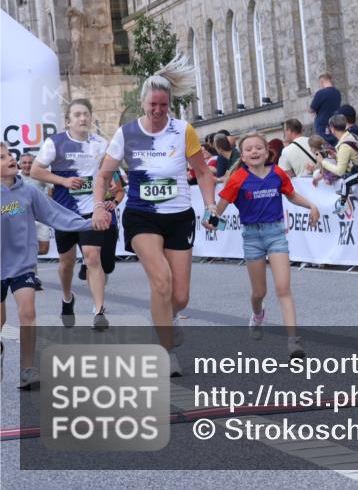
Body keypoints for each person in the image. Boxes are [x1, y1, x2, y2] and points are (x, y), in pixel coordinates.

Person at [90, 55, 217, 377]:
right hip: (141, 216)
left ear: (169, 104)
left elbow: (203, 173)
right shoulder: (127, 133)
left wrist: (210, 205)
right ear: (142, 103)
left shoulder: (183, 131)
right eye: (152, 105)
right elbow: (102, 175)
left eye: (163, 105)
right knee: (161, 281)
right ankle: (165, 350)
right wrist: (98, 206)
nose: (158, 111)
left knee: (180, 296)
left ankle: (166, 319)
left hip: (179, 216)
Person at [209, 134, 319, 359]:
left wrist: (311, 205)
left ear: (267, 151)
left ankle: (293, 341)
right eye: (249, 149)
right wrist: (209, 219)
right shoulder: (238, 178)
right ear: (242, 156)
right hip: (252, 237)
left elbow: (291, 195)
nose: (254, 151)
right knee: (259, 292)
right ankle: (257, 314)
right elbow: (218, 209)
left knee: (283, 288)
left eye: (258, 147)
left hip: (276, 234)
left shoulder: (277, 173)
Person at [2, 142, 95, 388]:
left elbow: (55, 214)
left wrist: (89, 223)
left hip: (22, 265)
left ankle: (27, 369)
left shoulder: (29, 192)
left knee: (28, 313)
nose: (10, 159)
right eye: (1, 157)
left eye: (9, 154)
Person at [30, 98, 120, 330]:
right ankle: (67, 297)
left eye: (86, 114)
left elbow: (108, 172)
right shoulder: (55, 143)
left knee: (92, 257)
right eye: (77, 115)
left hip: (92, 210)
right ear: (68, 121)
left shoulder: (100, 143)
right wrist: (64, 181)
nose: (83, 118)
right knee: (66, 263)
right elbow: (36, 171)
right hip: (64, 211)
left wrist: (111, 182)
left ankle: (99, 311)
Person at [17, 153, 51, 257]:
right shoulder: (15, 176)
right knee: (23, 245)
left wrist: (47, 202)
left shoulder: (40, 174)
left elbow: (51, 187)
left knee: (44, 249)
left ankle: (27, 257)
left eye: (30, 162)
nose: (27, 165)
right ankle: (27, 263)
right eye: (24, 163)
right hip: (22, 216)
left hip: (41, 216)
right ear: (20, 164)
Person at [310, 72, 342, 143]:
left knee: (323, 146)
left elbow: (312, 109)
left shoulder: (320, 93)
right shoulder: (337, 93)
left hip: (322, 126)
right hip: (335, 125)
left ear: (322, 81)